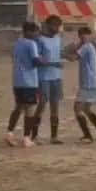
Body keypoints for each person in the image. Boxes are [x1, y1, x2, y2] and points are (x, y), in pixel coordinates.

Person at [5, 22, 43, 148]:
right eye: (36, 32)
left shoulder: (17, 43)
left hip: (17, 81)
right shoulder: (31, 44)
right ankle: (26, 138)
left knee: (19, 107)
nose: (37, 35)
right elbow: (36, 61)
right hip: (29, 81)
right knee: (30, 109)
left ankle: (10, 132)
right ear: (29, 32)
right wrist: (44, 60)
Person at [69, 26, 96, 143]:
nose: (82, 37)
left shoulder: (87, 46)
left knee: (77, 108)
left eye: (84, 35)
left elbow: (73, 57)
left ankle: (88, 135)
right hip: (92, 81)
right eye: (81, 35)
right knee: (86, 109)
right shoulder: (88, 46)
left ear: (89, 35)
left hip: (89, 82)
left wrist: (62, 54)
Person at [33, 15, 65, 143]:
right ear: (47, 25)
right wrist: (53, 64)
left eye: (58, 26)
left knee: (55, 105)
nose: (57, 28)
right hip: (43, 77)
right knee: (41, 104)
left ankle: (54, 136)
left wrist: (71, 54)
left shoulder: (58, 39)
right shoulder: (40, 40)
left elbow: (59, 53)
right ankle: (34, 135)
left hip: (56, 77)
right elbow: (37, 60)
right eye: (54, 25)